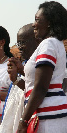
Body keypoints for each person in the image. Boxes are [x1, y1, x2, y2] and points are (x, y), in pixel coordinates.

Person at [16, 1, 67, 133]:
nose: (33, 24)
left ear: (49, 22)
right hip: (52, 113)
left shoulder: (48, 44)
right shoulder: (56, 43)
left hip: (47, 116)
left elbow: (41, 87)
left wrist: (23, 120)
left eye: (37, 20)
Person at [0, 23, 40, 133]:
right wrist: (16, 77)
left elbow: (37, 92)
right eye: (18, 43)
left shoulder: (44, 66)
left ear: (37, 41)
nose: (19, 47)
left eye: (23, 42)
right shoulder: (25, 63)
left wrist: (18, 77)